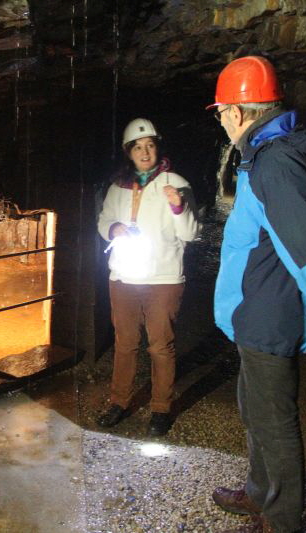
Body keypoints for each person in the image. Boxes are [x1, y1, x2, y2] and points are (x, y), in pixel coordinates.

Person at [207, 55, 306, 533]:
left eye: (220, 113)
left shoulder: (276, 164)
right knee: (255, 410)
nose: (221, 122)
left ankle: (281, 518)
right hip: (257, 312)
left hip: (271, 315)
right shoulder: (269, 155)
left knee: (274, 422)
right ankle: (260, 492)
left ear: (235, 112)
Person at [96, 118, 199, 436]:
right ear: (129, 152)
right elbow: (104, 221)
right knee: (125, 343)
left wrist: (178, 208)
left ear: (158, 148)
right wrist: (114, 229)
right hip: (124, 276)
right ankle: (119, 401)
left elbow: (192, 233)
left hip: (163, 278)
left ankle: (160, 408)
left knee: (159, 346)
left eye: (150, 145)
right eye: (138, 147)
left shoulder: (176, 183)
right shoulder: (117, 187)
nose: (144, 151)